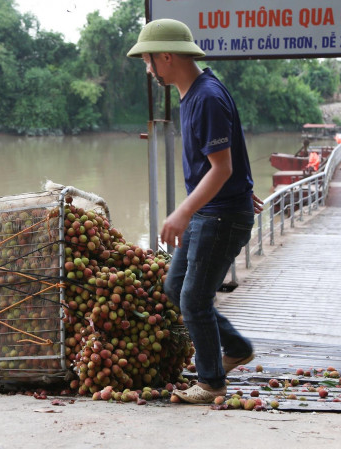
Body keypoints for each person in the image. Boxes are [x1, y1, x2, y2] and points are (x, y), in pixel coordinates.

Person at [127, 18, 263, 404]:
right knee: (176, 288)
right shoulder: (195, 94)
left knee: (194, 299)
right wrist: (239, 191)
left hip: (217, 216)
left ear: (167, 56)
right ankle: (235, 348)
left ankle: (211, 383)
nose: (149, 69)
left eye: (149, 61)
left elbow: (222, 167)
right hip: (218, 208)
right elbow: (227, 160)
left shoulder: (205, 97)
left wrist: (183, 211)